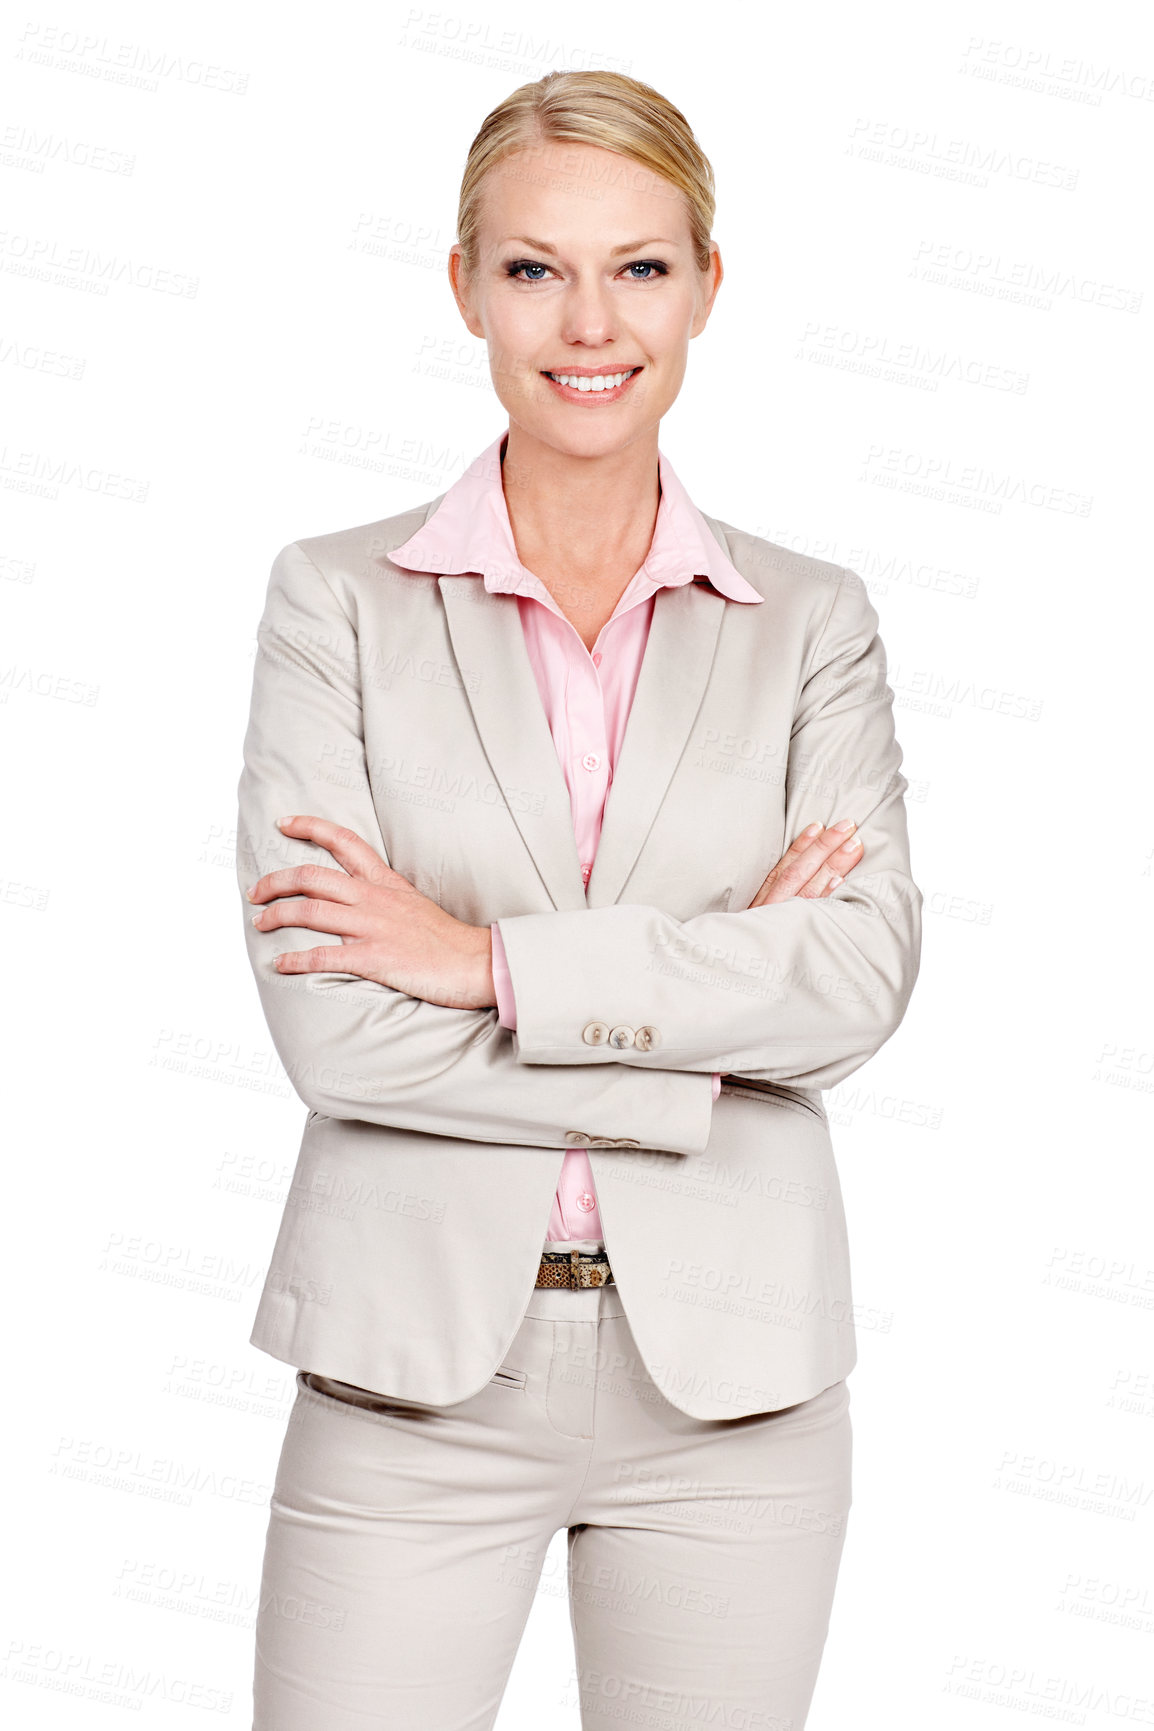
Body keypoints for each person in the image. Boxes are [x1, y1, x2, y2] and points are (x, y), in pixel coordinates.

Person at [236, 67, 922, 1731]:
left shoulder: (809, 622)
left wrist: (475, 959)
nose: (586, 320)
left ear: (703, 287)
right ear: (464, 285)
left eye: (639, 264)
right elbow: (338, 1038)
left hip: (739, 1392)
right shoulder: (335, 600)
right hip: (407, 1384)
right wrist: (712, 1027)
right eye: (534, 266)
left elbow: (852, 985)